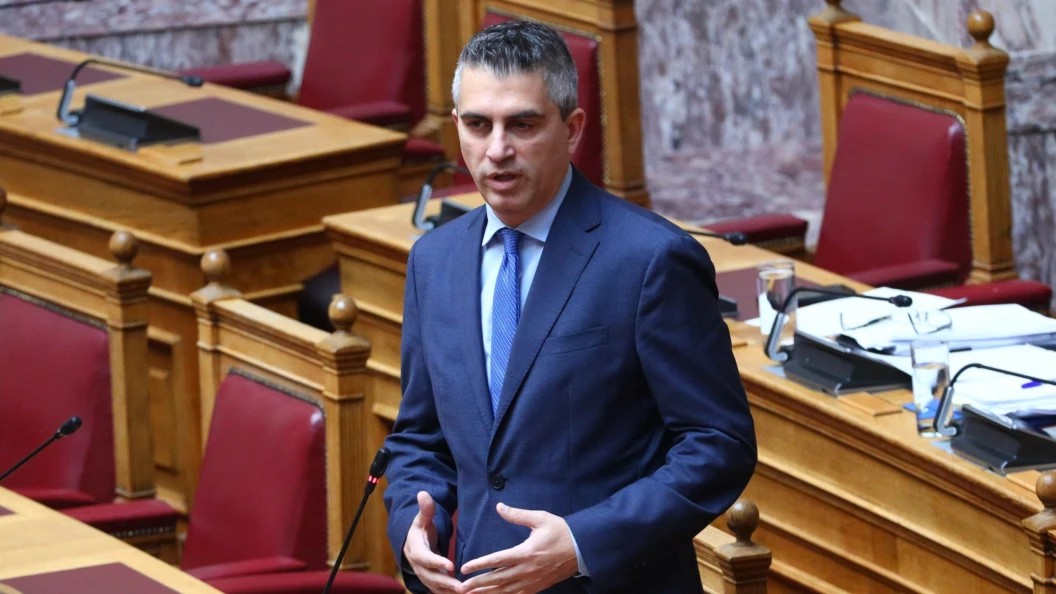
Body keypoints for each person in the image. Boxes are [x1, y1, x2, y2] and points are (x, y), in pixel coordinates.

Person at [383, 20, 756, 594]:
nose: (497, 150)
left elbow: (718, 444)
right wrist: (414, 524)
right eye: (478, 125)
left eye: (523, 124)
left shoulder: (651, 259)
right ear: (456, 125)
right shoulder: (434, 261)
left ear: (573, 128)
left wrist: (585, 542)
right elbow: (419, 439)